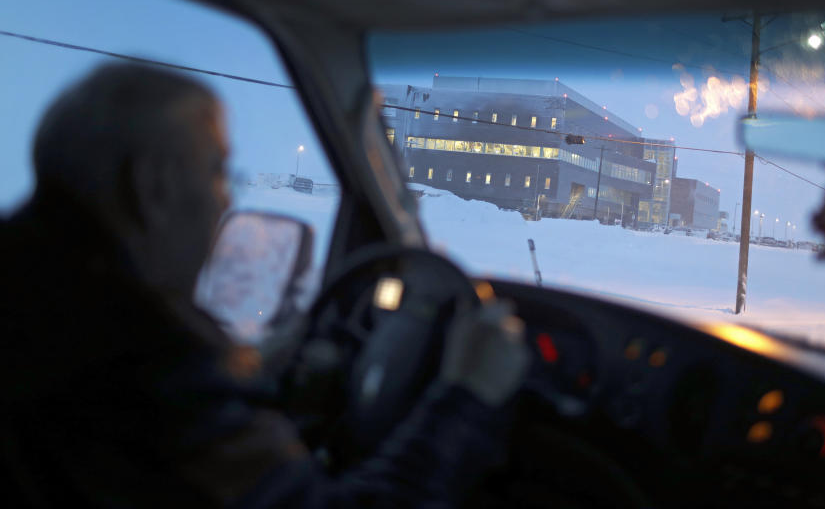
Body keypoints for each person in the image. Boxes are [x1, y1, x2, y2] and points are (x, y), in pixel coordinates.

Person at [0, 63, 530, 507]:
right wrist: (467, 397)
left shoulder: (36, 298)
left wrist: (256, 369)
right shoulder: (147, 370)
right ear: (153, 184)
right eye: (216, 171)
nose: (226, 199)